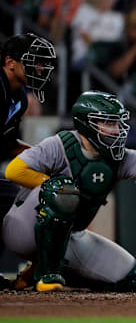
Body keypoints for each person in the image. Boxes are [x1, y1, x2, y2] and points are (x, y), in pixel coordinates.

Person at [2, 90, 136, 292]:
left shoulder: (120, 156)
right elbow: (14, 171)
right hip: (23, 228)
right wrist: (51, 184)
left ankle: (39, 269)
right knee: (63, 190)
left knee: (133, 276)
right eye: (108, 123)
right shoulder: (59, 145)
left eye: (118, 123)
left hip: (69, 235)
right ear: (86, 123)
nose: (117, 130)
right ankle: (46, 276)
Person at [0, 32, 56, 288]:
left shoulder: (20, 98)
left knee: (14, 199)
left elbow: (8, 144)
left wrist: (48, 159)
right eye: (34, 61)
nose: (40, 68)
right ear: (10, 62)